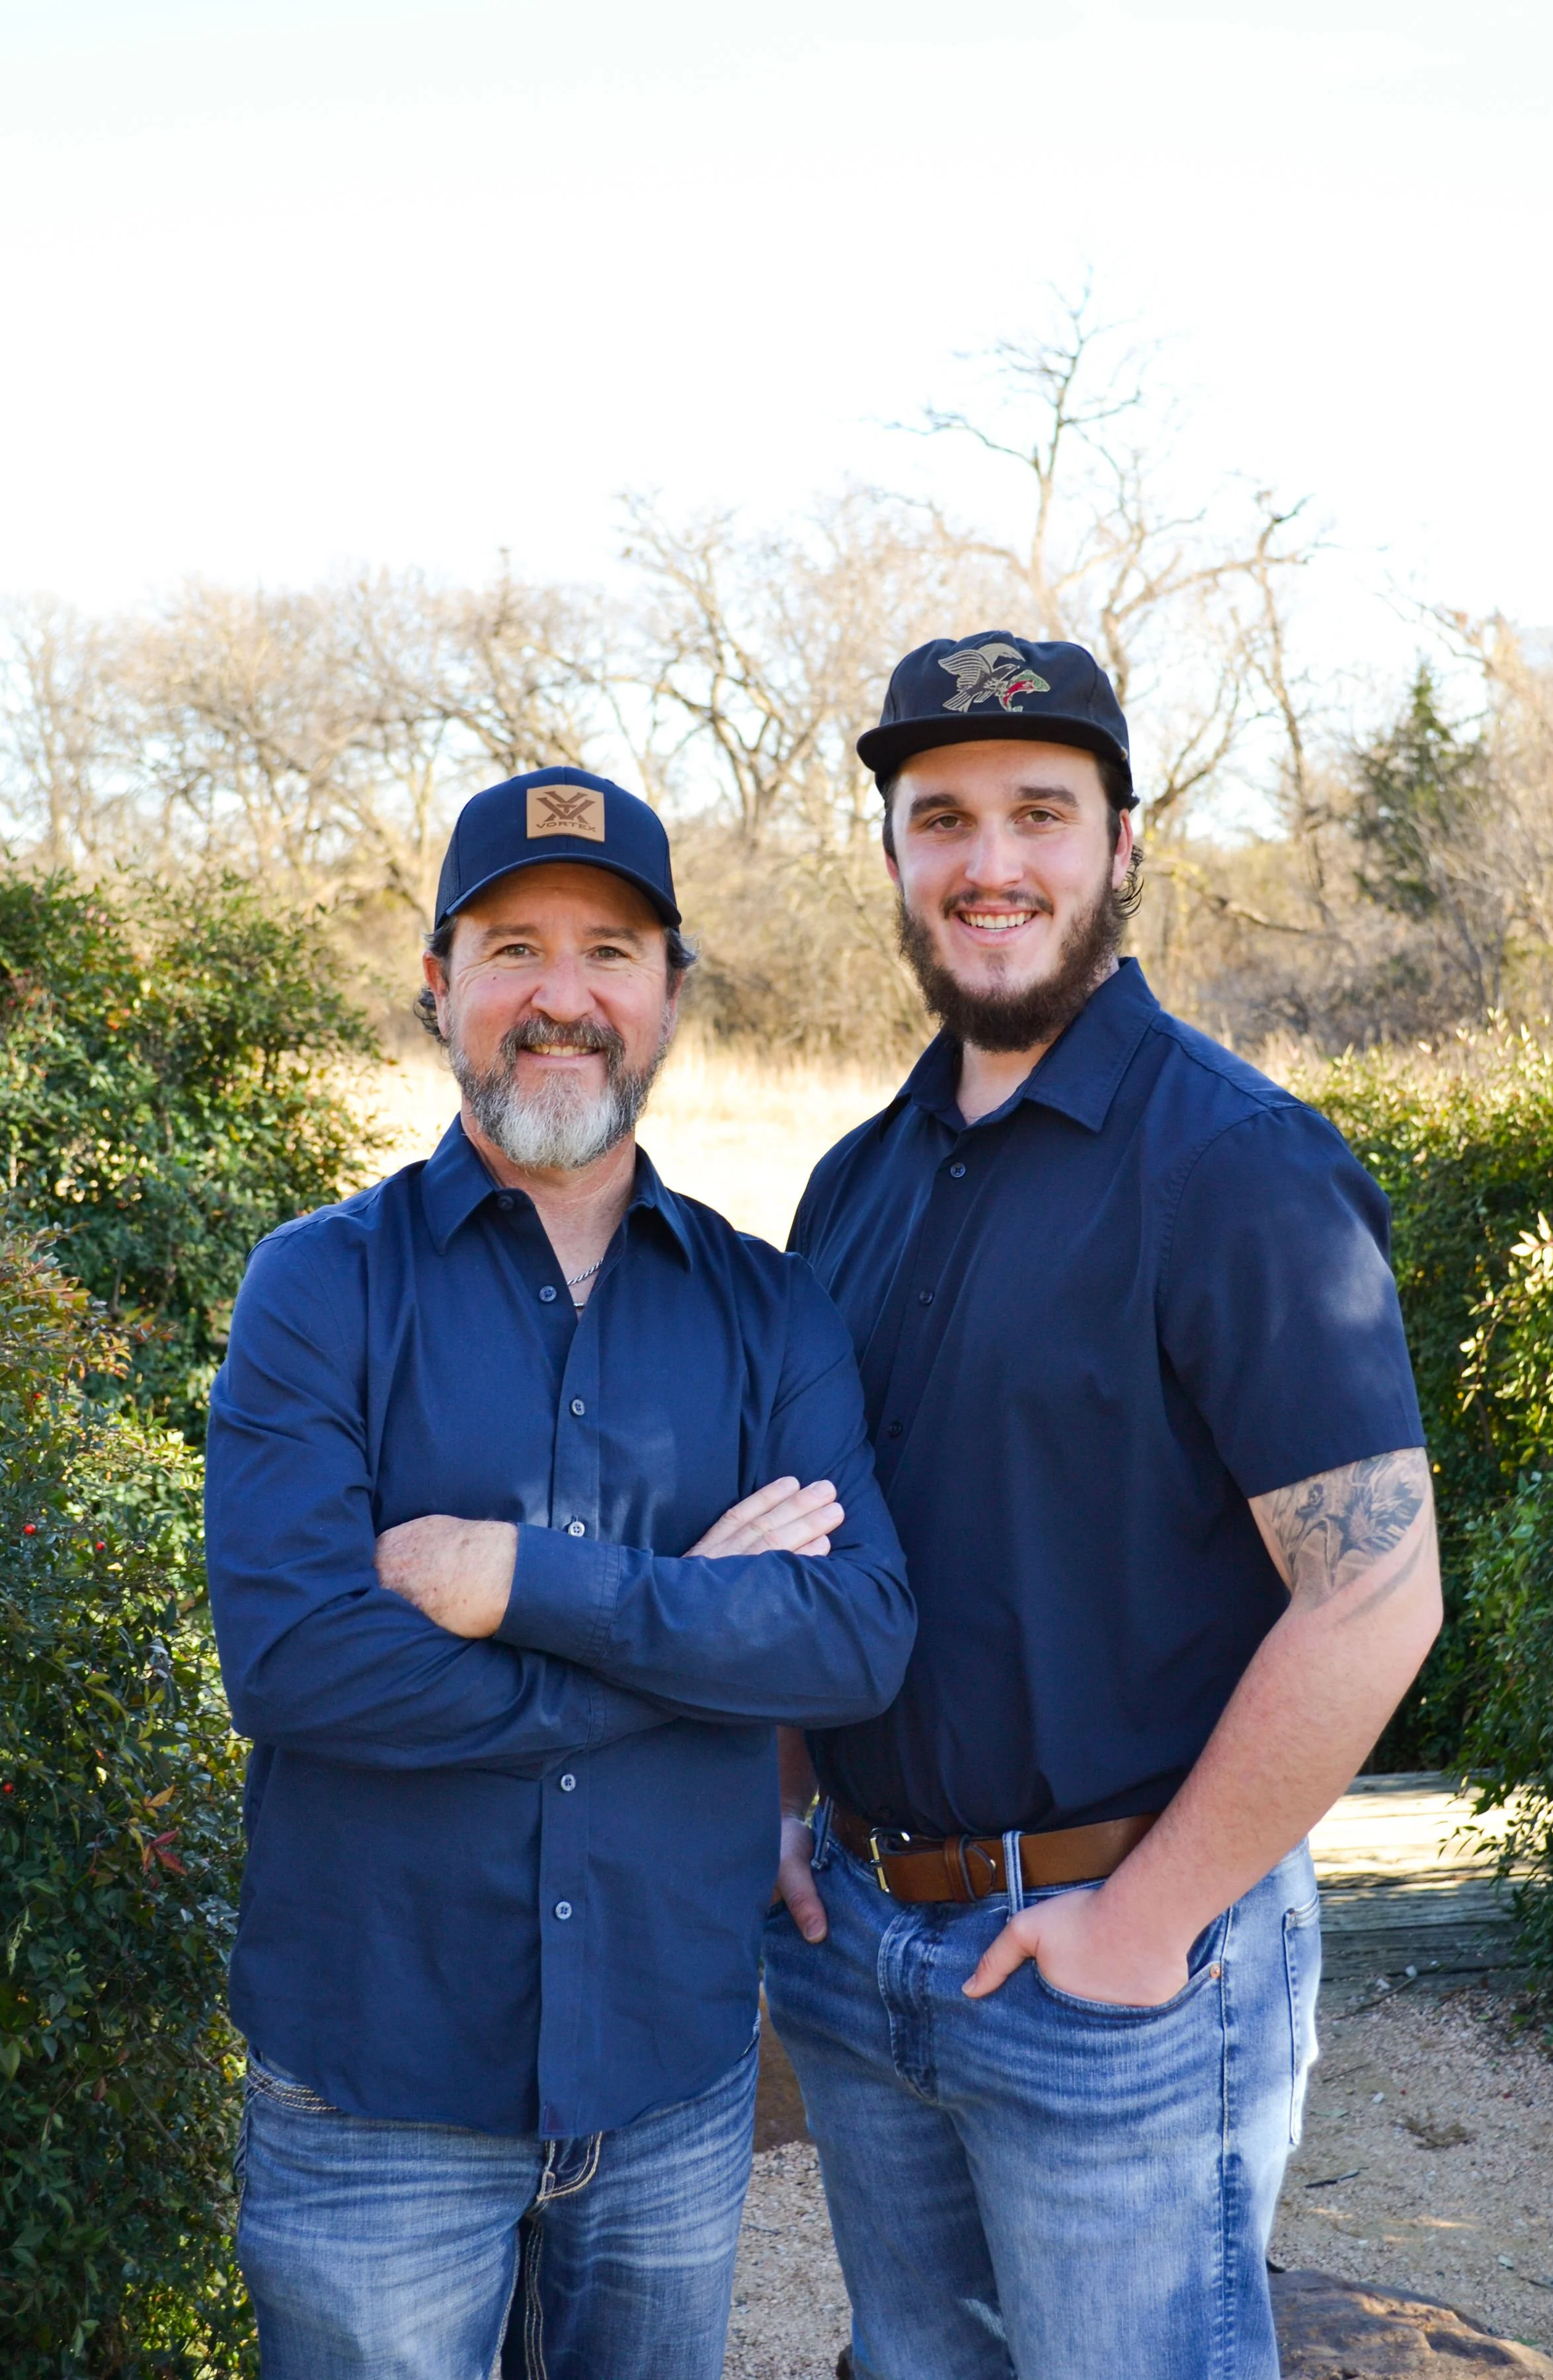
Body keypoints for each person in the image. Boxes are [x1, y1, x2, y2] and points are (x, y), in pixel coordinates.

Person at [764, 636, 1442, 2380]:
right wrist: (781, 1803)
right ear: (899, 860)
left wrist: (1147, 1926)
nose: (993, 863)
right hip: (859, 1950)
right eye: (945, 819)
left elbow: (1376, 1595)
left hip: (1120, 1963)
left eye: (1042, 813)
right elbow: (808, 1538)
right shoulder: (852, 1188)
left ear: (1125, 844)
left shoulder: (1235, 1167)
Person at [205, 766, 914, 2380]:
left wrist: (515, 1577)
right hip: (376, 2090)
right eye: (514, 945)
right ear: (439, 985)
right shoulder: (316, 1292)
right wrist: (700, 1640)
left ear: (669, 995)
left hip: (669, 2083)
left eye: (611, 950)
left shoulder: (773, 1311)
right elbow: (299, 1663)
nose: (561, 996)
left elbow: (859, 1640)